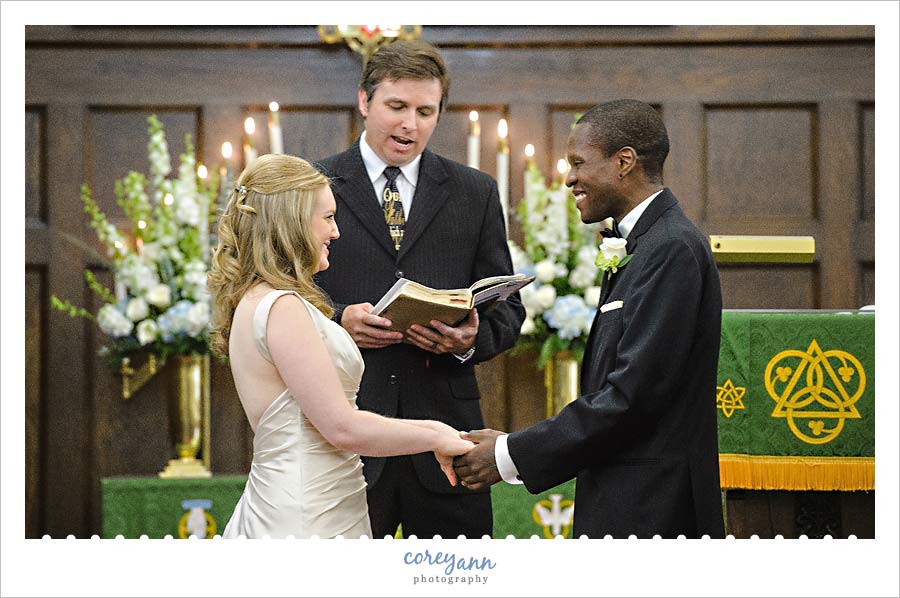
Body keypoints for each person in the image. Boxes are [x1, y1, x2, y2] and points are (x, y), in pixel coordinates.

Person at [453, 100, 726, 539]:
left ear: (624, 162)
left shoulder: (671, 248)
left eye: (579, 163)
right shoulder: (642, 244)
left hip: (655, 509)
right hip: (626, 497)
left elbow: (631, 397)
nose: (568, 178)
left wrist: (509, 454)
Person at [315, 40, 525, 539]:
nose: (410, 124)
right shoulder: (314, 184)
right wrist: (337, 319)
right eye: (397, 107)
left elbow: (508, 311)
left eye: (425, 111)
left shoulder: (474, 192)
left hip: (447, 439)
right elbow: (282, 293)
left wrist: (469, 339)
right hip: (347, 434)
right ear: (364, 102)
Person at [208, 154, 474, 539]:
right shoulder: (283, 307)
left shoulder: (260, 298)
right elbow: (341, 428)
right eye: (328, 217)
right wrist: (436, 434)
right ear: (293, 222)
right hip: (307, 513)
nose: (335, 232)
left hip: (312, 497)